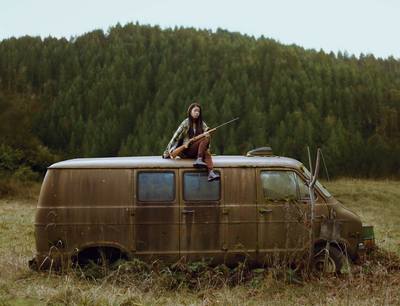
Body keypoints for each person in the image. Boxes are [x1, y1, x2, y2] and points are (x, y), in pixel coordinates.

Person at [162, 102, 220, 181]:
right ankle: (199, 159)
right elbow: (175, 137)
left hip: (196, 151)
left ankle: (210, 173)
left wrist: (208, 134)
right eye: (195, 110)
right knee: (204, 138)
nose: (197, 113)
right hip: (186, 150)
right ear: (190, 112)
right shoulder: (185, 123)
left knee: (206, 151)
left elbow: (207, 137)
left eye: (198, 111)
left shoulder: (202, 124)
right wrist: (167, 151)